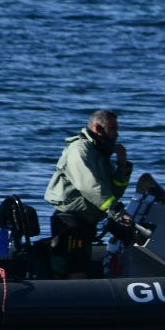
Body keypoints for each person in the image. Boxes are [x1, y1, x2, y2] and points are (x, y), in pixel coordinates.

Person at [44, 109, 135, 277]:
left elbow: (114, 192)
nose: (117, 134)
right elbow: (90, 186)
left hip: (86, 223)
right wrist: (117, 211)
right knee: (76, 272)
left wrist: (122, 166)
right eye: (113, 129)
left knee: (83, 269)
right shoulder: (80, 149)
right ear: (97, 128)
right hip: (70, 221)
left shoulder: (100, 154)